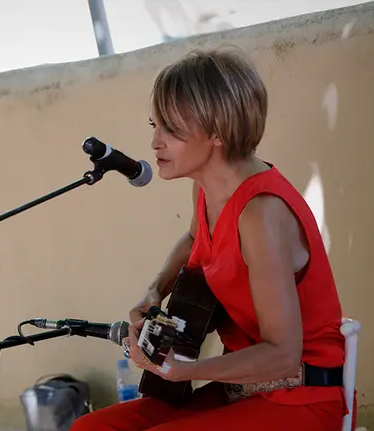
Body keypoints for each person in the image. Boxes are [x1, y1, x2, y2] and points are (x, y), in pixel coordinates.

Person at [71, 47, 352, 430]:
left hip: (301, 398)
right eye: (155, 125)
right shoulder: (207, 190)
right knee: (90, 428)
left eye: (171, 129)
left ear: (217, 131)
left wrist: (184, 370)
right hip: (241, 389)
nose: (155, 142)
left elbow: (283, 356)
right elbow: (194, 239)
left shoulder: (260, 215)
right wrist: (154, 291)